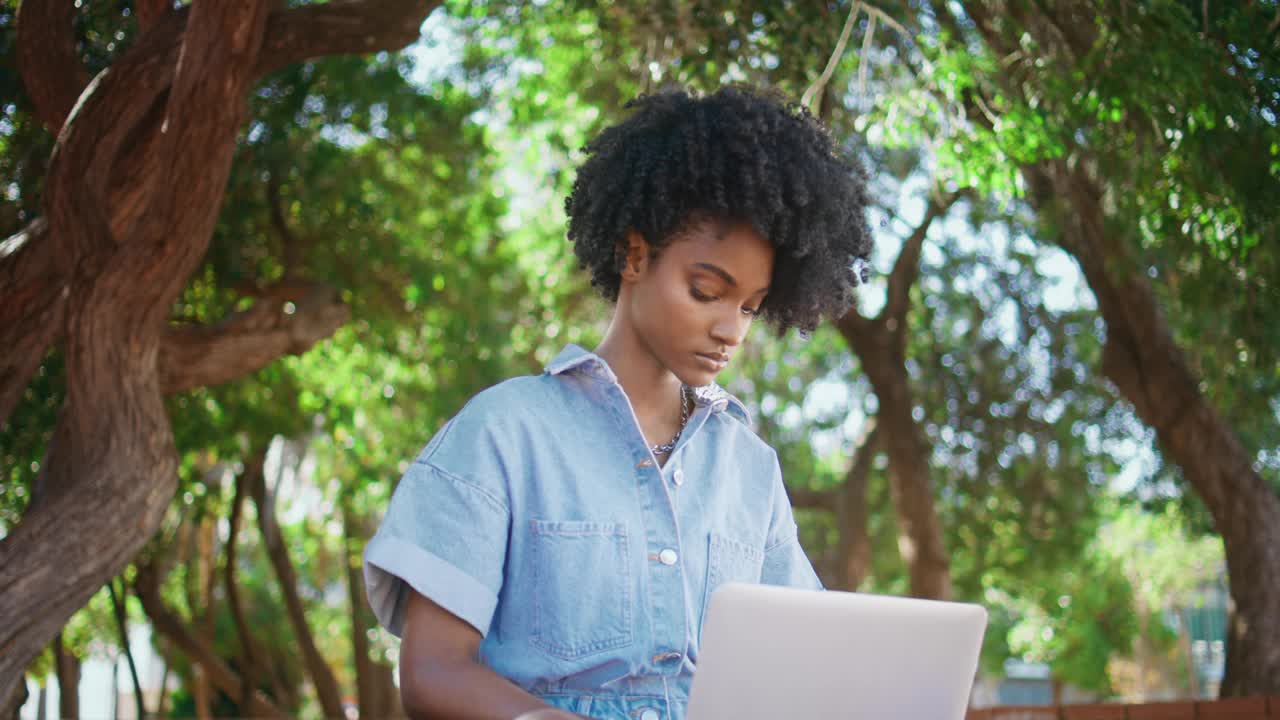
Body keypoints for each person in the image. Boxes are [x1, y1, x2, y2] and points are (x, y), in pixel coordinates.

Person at [363, 85, 872, 720]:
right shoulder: (504, 433)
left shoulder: (751, 470)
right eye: (706, 290)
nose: (731, 330)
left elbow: (798, 671)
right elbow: (434, 673)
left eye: (749, 306)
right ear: (634, 256)